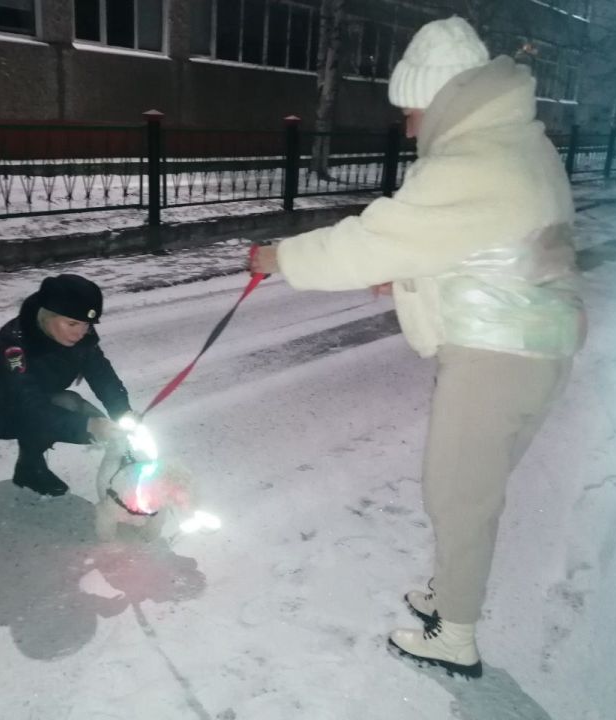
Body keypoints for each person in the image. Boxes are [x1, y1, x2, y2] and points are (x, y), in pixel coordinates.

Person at [250, 16, 585, 678]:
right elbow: (494, 250)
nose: (407, 128)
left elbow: (371, 239)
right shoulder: (521, 145)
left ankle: (454, 634)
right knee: (472, 488)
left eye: (410, 112)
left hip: (497, 356)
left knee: (460, 496)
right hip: (535, 349)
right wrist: (407, 275)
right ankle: (449, 590)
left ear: (441, 98)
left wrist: (279, 257)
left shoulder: (473, 163)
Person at [0, 274, 134, 497]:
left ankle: (31, 463)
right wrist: (89, 425)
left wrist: (123, 411)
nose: (80, 332)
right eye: (72, 324)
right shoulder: (15, 343)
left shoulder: (82, 334)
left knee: (88, 420)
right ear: (47, 316)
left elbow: (102, 374)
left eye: (87, 324)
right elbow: (28, 403)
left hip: (40, 397)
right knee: (65, 412)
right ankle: (30, 468)